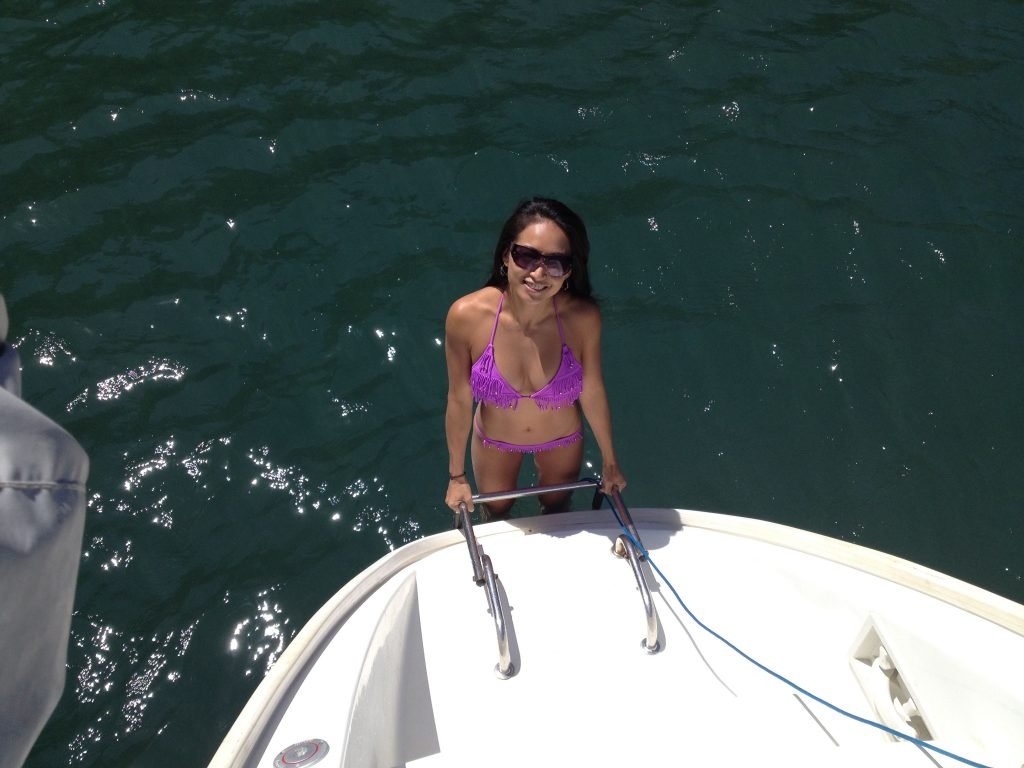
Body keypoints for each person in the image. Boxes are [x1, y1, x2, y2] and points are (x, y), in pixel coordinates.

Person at [444, 197, 627, 519]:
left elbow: (592, 389)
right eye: (526, 256)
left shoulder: (582, 318)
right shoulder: (466, 316)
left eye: (555, 262)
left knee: (557, 510)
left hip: (562, 440)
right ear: (506, 255)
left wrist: (610, 461)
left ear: (569, 271)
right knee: (496, 514)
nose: (539, 273)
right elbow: (459, 398)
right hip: (495, 441)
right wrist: (457, 477)